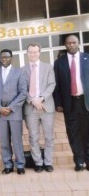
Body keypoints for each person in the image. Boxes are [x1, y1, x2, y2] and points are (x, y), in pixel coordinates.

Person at [53, 34, 89, 171]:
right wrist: (58, 103)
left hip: (86, 102)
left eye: (74, 42)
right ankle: (79, 161)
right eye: (69, 43)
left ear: (78, 43)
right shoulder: (59, 62)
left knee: (87, 132)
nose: (71, 45)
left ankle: (88, 159)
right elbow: (56, 85)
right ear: (65, 45)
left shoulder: (87, 59)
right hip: (69, 103)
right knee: (73, 133)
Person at [0, 49, 27, 175]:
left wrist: (11, 107)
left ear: (11, 58)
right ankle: (7, 164)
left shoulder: (19, 72)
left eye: (7, 57)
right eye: (2, 57)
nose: (4, 59)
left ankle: (20, 164)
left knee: (17, 140)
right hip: (0, 113)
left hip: (14, 112)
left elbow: (23, 93)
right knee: (4, 141)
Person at [22, 43, 56, 173]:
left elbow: (52, 84)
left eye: (35, 52)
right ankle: (38, 163)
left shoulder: (48, 68)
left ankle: (48, 162)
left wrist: (41, 98)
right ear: (27, 53)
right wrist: (32, 100)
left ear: (39, 52)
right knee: (33, 137)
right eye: (30, 52)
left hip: (46, 106)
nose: (33, 54)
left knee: (49, 137)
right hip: (30, 109)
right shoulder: (22, 70)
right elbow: (22, 89)